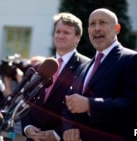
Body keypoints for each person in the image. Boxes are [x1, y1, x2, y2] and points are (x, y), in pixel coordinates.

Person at [62, 8, 137, 141]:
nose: (97, 28)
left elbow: (133, 104)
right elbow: (68, 104)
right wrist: (69, 127)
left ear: (117, 28)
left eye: (102, 22)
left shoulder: (132, 59)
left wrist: (90, 105)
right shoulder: (83, 67)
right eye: (92, 24)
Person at [21, 12, 90, 141]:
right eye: (58, 31)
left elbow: (85, 111)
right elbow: (26, 101)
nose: (60, 36)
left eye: (66, 33)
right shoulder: (41, 66)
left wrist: (57, 134)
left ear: (78, 37)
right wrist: (27, 127)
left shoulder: (86, 67)